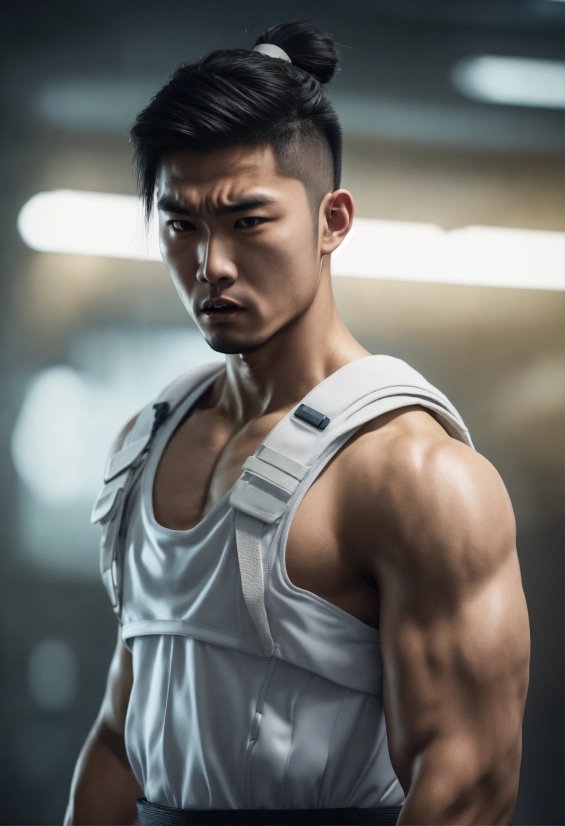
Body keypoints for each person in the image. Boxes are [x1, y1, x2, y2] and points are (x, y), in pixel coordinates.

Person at [64, 22, 530, 826]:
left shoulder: (416, 476)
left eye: (247, 221)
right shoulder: (144, 442)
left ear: (332, 221)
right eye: (182, 225)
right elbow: (121, 735)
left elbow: (467, 784)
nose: (211, 263)